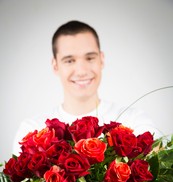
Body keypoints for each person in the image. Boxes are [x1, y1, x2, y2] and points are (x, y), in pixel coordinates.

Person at [13, 20, 161, 155]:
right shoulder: (32, 130)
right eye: (69, 61)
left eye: (90, 58)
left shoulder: (134, 121)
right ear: (55, 66)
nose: (82, 71)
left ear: (101, 60)